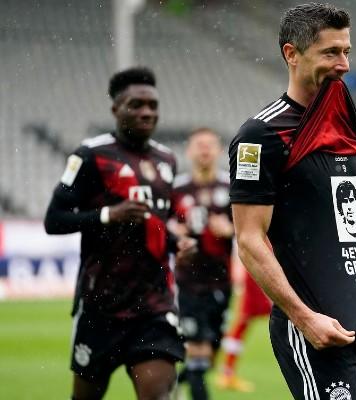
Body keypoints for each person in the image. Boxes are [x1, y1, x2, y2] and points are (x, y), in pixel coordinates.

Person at [228, 4, 356, 399]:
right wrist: (305, 319)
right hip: (314, 327)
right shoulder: (261, 136)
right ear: (292, 54)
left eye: (346, 51)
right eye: (330, 52)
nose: (343, 65)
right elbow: (250, 240)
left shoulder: (351, 131)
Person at [44, 67, 194, 400]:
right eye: (136, 105)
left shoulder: (166, 160)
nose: (147, 112)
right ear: (115, 109)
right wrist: (108, 215)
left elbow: (154, 224)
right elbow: (54, 221)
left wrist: (177, 243)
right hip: (101, 306)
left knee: (158, 396)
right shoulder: (91, 155)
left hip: (154, 307)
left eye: (152, 105)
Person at [170, 128, 234, 400]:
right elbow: (160, 223)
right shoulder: (176, 189)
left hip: (222, 283)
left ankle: (175, 382)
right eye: (199, 145)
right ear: (189, 151)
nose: (205, 149)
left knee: (210, 355)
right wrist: (174, 231)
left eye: (210, 145)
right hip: (189, 283)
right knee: (198, 351)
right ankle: (186, 383)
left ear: (218, 151)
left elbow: (251, 227)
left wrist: (230, 229)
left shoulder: (231, 187)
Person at [216, 267, 272, 392]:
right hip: (260, 274)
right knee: (243, 322)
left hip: (260, 273)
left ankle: (227, 371)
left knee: (242, 323)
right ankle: (227, 373)